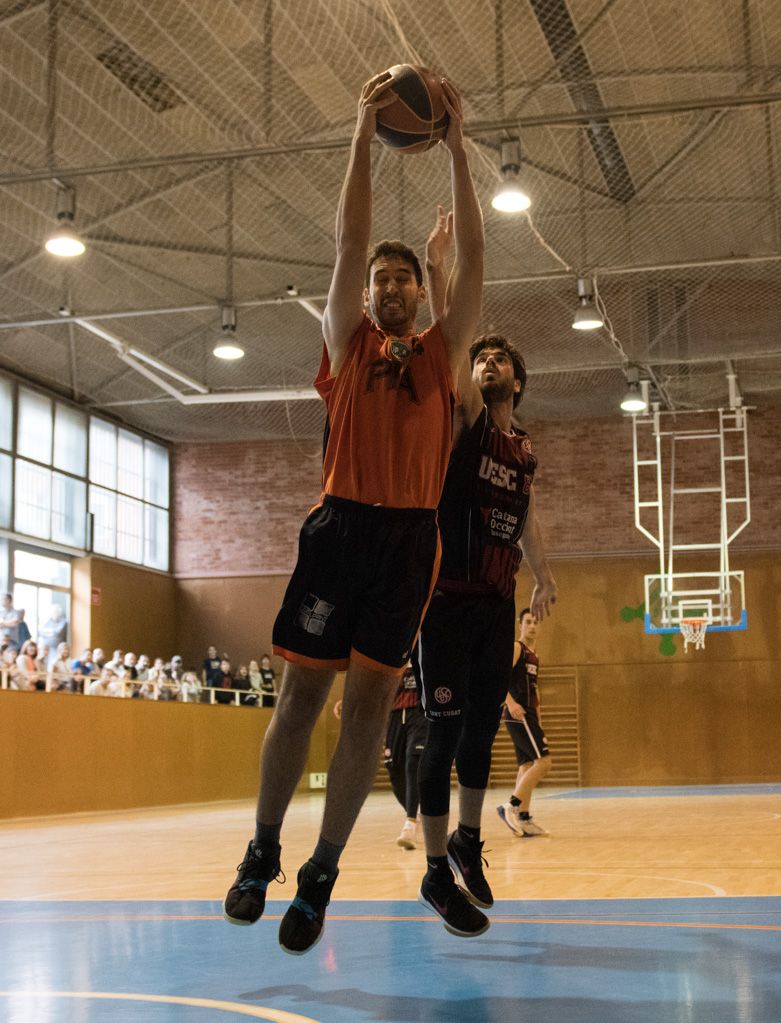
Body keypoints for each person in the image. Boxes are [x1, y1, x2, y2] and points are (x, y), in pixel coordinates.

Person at [221, 67, 482, 958]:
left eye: (405, 275)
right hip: (339, 528)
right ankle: (262, 848)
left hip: (410, 539)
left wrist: (455, 148)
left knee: (369, 706)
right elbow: (346, 239)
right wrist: (361, 138)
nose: (391, 283)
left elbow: (475, 263)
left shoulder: (446, 359)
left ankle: (322, 872)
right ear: (366, 295)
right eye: (381, 277)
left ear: (421, 291)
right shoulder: (346, 340)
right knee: (300, 695)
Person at [412, 318, 557, 935]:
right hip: (447, 599)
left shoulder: (523, 449)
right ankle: (436, 867)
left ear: (518, 381)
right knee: (441, 737)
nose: (488, 363)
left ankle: (469, 841)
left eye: (500, 359)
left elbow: (526, 519)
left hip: (498, 601)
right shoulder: (463, 424)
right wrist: (445, 274)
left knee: (478, 735)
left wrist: (545, 578)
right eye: (481, 359)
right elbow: (456, 337)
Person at [498, 608, 552, 837]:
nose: (532, 626)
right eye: (528, 621)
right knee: (544, 761)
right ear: (520, 624)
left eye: (535, 622)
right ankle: (510, 806)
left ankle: (524, 817)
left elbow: (534, 689)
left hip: (529, 713)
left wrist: (538, 717)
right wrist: (510, 703)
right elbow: (498, 677)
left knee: (527, 765)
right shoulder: (516, 648)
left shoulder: (534, 655)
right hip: (517, 712)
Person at [384, 661, 427, 849]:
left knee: (413, 763)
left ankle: (409, 824)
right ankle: (417, 816)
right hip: (394, 715)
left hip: (419, 714)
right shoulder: (393, 649)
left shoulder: (426, 649)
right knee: (394, 771)